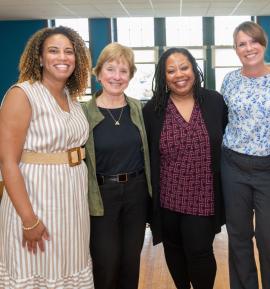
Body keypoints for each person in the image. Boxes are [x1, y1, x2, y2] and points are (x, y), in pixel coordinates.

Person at [0, 26, 93, 288]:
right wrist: (29, 220)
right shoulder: (23, 94)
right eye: (53, 51)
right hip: (36, 199)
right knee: (38, 268)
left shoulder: (72, 99)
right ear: (39, 58)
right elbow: (8, 161)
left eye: (69, 52)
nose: (62, 57)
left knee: (68, 265)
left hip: (72, 203)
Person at [143, 47, 227, 289]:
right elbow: (147, 154)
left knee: (200, 251)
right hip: (167, 197)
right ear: (163, 76)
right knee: (174, 251)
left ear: (194, 69)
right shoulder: (152, 110)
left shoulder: (214, 101)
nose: (179, 74)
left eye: (184, 67)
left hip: (203, 195)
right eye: (171, 70)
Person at [220, 21, 270, 289]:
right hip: (233, 165)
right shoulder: (230, 80)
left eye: (254, 41)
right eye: (242, 43)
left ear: (264, 44)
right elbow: (224, 119)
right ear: (236, 49)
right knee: (238, 237)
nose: (249, 48)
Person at [82, 42, 151, 289]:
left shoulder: (139, 109)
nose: (117, 77)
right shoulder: (83, 113)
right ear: (99, 73)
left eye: (124, 71)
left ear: (130, 76)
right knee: (105, 262)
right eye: (110, 69)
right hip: (101, 197)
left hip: (136, 192)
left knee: (130, 261)